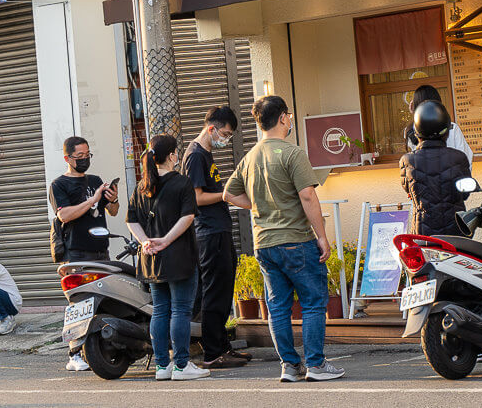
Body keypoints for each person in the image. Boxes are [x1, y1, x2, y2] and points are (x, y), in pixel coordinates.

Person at [223, 96, 345, 383]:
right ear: (282, 119)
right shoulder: (292, 153)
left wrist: (259, 205)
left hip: (264, 243)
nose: (289, 120)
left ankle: (290, 366)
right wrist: (323, 237)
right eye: (288, 116)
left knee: (277, 306)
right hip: (296, 239)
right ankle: (316, 365)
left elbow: (229, 193)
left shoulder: (250, 157)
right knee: (314, 302)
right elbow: (307, 195)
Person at [128, 134, 210, 381]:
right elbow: (188, 217)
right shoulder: (181, 183)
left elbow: (131, 219)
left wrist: (145, 241)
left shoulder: (143, 185)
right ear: (173, 155)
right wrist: (166, 240)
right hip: (179, 256)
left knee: (161, 311)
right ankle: (182, 365)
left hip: (151, 258)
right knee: (181, 310)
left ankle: (162, 366)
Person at [184, 106, 251, 369]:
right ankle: (212, 353)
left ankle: (223, 346)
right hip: (208, 232)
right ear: (211, 128)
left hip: (219, 229)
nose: (226, 138)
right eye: (224, 133)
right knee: (213, 292)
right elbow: (197, 197)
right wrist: (226, 195)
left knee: (223, 291)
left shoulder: (207, 154)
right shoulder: (195, 156)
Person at [50, 136, 118, 371]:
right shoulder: (59, 185)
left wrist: (112, 198)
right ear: (67, 158)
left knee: (106, 299)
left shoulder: (95, 180)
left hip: (101, 249)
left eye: (88, 155)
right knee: (80, 303)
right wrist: (92, 199)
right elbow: (65, 215)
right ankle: (74, 354)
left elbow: (113, 211)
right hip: (76, 252)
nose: (84, 160)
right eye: (79, 157)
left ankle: (102, 348)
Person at [400, 101, 472, 236]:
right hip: (455, 232)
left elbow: (408, 190)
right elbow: (465, 194)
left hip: (423, 233)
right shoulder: (459, 158)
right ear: (446, 131)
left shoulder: (407, 160)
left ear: (416, 132)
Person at [403, 85, 473, 166]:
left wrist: (414, 114)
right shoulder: (452, 128)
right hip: (453, 176)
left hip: (424, 178)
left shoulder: (411, 130)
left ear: (415, 107)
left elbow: (414, 163)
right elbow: (466, 158)